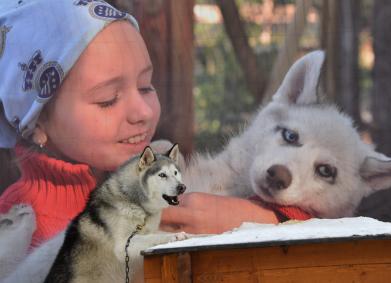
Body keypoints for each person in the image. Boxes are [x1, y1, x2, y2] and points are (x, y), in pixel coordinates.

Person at [0, 0, 282, 250]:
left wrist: (264, 218)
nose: (144, 112)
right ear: (36, 122)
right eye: (108, 100)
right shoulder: (19, 234)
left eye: (146, 87)